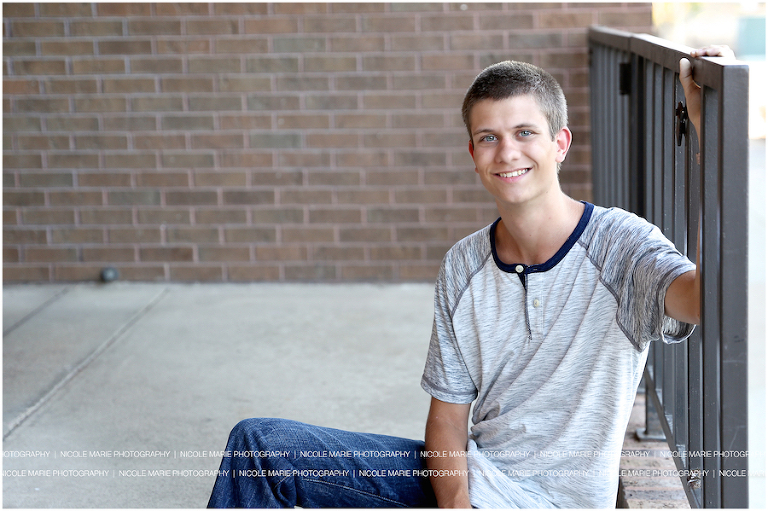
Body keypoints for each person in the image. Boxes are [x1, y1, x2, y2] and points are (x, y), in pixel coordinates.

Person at [207, 46, 731, 508]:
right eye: (488, 137)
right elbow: (447, 420)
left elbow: (709, 299)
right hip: (471, 485)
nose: (507, 152)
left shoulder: (619, 245)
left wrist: (714, 132)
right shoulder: (464, 264)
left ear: (560, 143)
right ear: (473, 154)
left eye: (526, 133)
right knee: (260, 447)